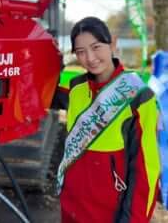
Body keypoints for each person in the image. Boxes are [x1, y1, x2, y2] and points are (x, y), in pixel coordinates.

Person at [56, 17, 160, 223]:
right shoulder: (76, 88)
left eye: (96, 47)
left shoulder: (138, 96)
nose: (90, 58)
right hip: (72, 207)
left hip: (109, 213)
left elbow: (147, 170)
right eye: (81, 52)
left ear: (112, 43)